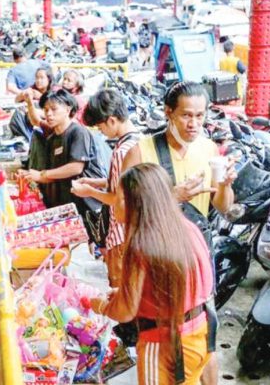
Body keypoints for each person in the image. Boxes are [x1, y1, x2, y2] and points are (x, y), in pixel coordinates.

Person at [122, 81, 236, 385]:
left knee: (204, 334)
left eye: (200, 116)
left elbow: (223, 207)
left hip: (195, 257)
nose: (194, 124)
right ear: (168, 113)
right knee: (164, 338)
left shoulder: (210, 149)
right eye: (187, 115)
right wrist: (172, 196)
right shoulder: (141, 151)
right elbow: (122, 211)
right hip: (158, 262)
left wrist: (224, 184)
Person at [91, 163, 215, 385]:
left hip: (166, 344)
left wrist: (99, 305)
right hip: (200, 334)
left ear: (136, 204)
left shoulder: (140, 244)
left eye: (119, 198)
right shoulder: (186, 228)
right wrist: (125, 292)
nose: (114, 205)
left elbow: (125, 312)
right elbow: (177, 285)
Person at [71, 89, 140, 285]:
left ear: (111, 120)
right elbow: (122, 183)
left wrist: (88, 192)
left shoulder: (122, 151)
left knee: (119, 289)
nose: (101, 132)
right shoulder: (138, 141)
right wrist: (95, 182)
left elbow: (116, 198)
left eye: (100, 127)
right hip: (134, 231)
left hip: (120, 234)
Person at [20, 90, 106, 240]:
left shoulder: (78, 132)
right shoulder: (53, 133)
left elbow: (76, 167)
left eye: (54, 109)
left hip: (86, 203)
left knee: (98, 245)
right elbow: (35, 120)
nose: (49, 114)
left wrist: (42, 175)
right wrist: (29, 102)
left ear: (68, 109)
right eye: (46, 110)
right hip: (67, 203)